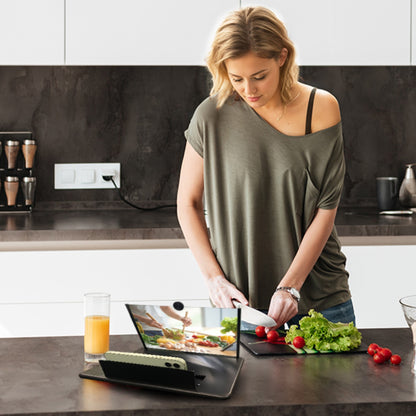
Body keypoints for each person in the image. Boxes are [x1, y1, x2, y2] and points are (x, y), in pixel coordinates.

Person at [177, 6, 355, 329]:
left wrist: (291, 286)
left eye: (259, 76)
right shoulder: (210, 117)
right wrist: (214, 280)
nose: (249, 89)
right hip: (240, 306)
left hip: (320, 302)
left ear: (282, 57)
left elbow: (326, 211)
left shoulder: (322, 108)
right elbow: (187, 203)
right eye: (237, 78)